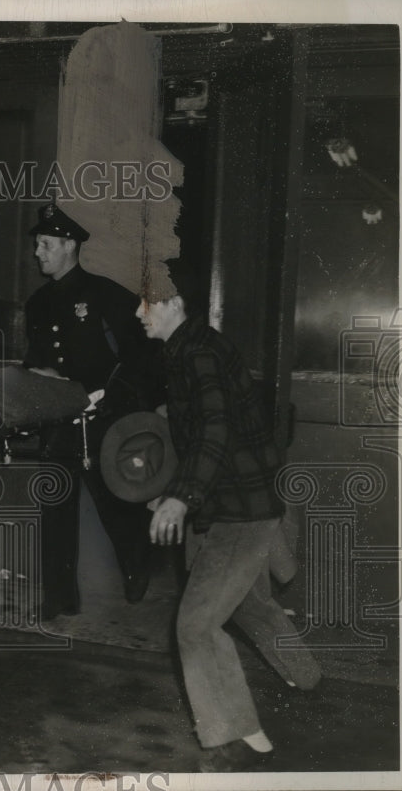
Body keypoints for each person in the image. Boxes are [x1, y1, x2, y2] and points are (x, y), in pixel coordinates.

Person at [136, 260, 321, 772]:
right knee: (249, 602)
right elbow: (200, 430)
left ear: (174, 304)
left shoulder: (198, 356)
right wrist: (175, 488)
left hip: (239, 510)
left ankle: (235, 729)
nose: (139, 311)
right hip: (233, 502)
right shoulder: (189, 349)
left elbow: (214, 432)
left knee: (196, 626)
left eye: (147, 302)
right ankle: (307, 677)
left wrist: (180, 497)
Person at [23, 203, 160, 612]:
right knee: (55, 503)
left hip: (103, 417)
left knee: (114, 502)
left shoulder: (107, 295)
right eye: (37, 245)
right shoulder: (37, 303)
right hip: (57, 417)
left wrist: (113, 396)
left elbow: (146, 351)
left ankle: (137, 566)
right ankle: (59, 598)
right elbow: (36, 358)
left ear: (70, 245)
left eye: (46, 245)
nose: (38, 253)